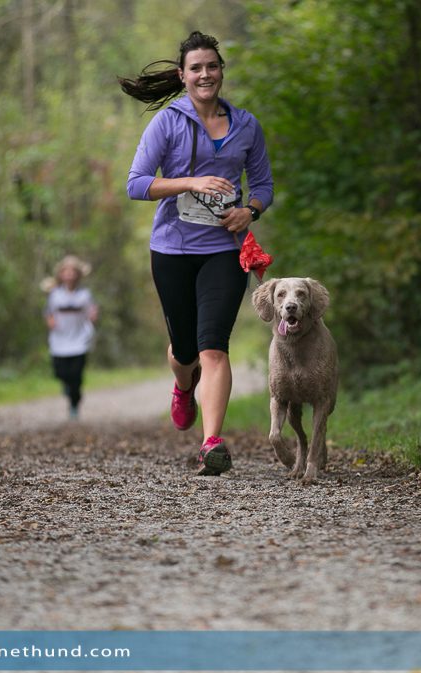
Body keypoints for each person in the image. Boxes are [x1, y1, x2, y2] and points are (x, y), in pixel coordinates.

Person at [120, 30, 274, 476]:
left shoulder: (247, 125)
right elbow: (136, 184)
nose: (205, 74)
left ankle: (211, 443)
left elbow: (262, 185)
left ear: (221, 71)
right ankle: (182, 386)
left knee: (213, 345)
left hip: (224, 251)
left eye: (212, 66)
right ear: (182, 76)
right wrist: (190, 182)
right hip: (171, 248)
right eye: (196, 68)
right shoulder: (167, 123)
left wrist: (250, 211)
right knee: (185, 350)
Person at [42, 255, 98, 420]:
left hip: (79, 339)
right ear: (60, 274)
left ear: (78, 274)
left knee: (76, 374)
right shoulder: (54, 294)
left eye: (73, 271)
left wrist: (94, 315)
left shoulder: (85, 294)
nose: (69, 274)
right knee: (60, 372)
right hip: (59, 339)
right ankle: (67, 387)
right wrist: (50, 320)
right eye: (66, 271)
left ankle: (74, 402)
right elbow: (48, 312)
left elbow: (92, 310)